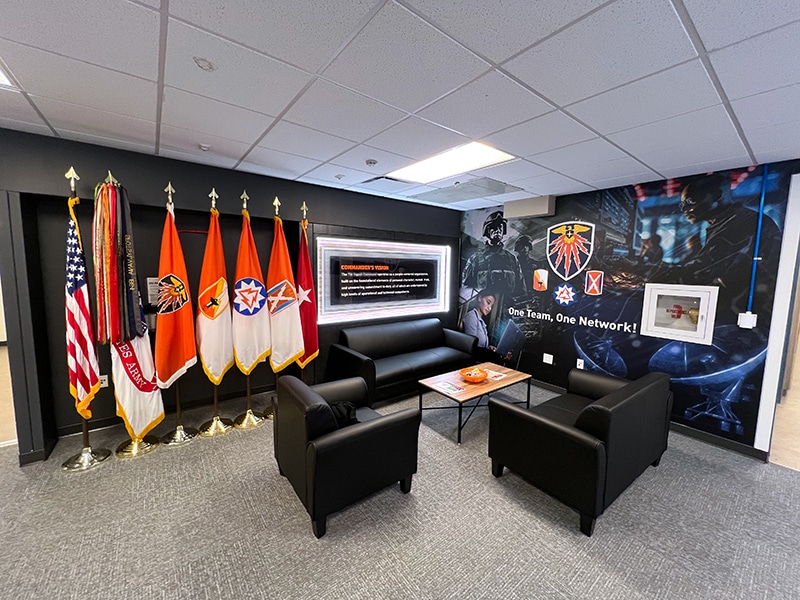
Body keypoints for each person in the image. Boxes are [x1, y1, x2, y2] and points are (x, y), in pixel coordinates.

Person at [462, 211, 525, 300]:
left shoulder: (511, 259)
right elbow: (466, 290)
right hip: (483, 308)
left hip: (507, 310)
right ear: (487, 231)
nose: (497, 231)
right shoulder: (475, 259)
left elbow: (521, 290)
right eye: (494, 227)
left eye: (500, 227)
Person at [462, 289, 512, 362]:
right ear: (480, 298)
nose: (490, 308)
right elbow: (472, 347)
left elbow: (481, 346)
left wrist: (489, 348)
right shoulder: (472, 316)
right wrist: (497, 355)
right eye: (488, 302)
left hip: (481, 358)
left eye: (492, 306)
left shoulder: (482, 322)